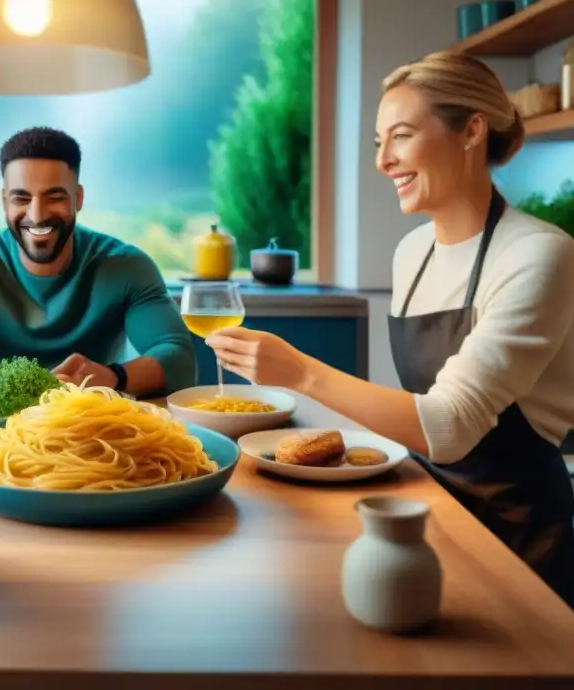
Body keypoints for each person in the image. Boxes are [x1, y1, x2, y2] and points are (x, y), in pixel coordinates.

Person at [206, 51, 574, 607]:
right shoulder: (412, 252)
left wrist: (298, 373)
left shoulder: (539, 255)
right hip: (425, 510)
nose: (383, 161)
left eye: (400, 136)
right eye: (379, 142)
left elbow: (447, 427)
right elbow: (414, 412)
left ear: (472, 130)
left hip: (515, 536)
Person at [0, 126, 196, 401]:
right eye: (21, 198)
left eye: (55, 197)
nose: (37, 215)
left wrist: (115, 377)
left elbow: (180, 358)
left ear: (78, 197)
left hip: (93, 423)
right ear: (4, 201)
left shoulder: (127, 266)